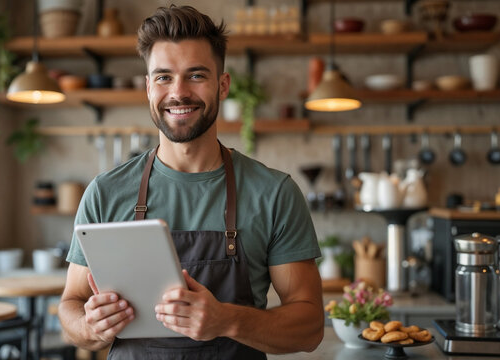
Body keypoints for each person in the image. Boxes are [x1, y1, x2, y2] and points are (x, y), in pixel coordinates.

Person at [58, 5, 324, 359]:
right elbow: (71, 305)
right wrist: (90, 327)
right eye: (164, 77)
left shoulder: (274, 193)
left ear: (223, 85)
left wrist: (227, 321)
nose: (179, 92)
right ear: (149, 87)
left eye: (196, 75)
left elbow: (309, 327)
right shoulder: (105, 193)